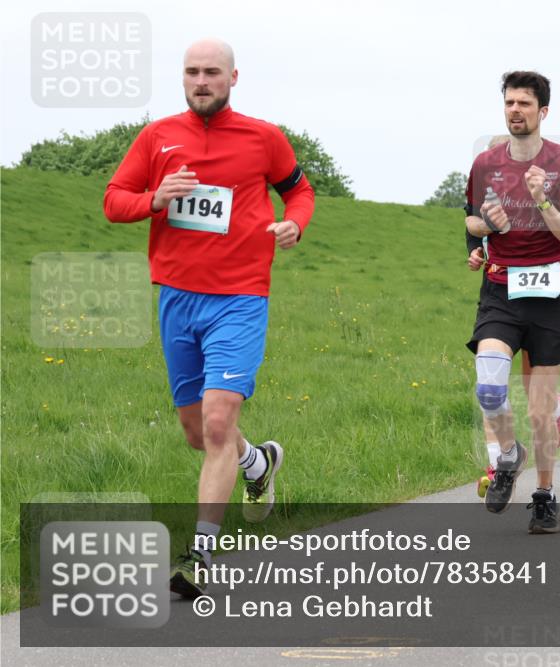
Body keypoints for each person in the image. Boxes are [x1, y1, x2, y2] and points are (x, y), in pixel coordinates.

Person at [103, 38, 315, 595]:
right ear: (183, 78)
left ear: (233, 78)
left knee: (219, 420)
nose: (202, 81)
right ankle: (257, 464)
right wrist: (153, 197)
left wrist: (295, 223)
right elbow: (113, 200)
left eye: (212, 73)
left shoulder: (263, 137)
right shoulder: (158, 137)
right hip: (177, 296)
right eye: (193, 72)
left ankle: (199, 555)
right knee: (198, 433)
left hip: (241, 297)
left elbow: (300, 191)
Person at [464, 71, 560, 533]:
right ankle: (508, 455)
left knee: (539, 411)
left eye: (525, 104)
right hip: (502, 290)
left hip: (551, 292)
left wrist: (542, 202)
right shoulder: (485, 164)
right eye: (510, 103)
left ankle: (544, 494)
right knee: (491, 388)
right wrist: (486, 225)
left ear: (543, 112)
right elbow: (471, 222)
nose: (515, 110)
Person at [467, 135, 560, 497]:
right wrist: (478, 250)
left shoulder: (545, 190)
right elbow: (473, 231)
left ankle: (555, 412)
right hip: (502, 297)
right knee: (491, 384)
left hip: (545, 300)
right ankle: (499, 463)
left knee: (536, 400)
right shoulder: (489, 199)